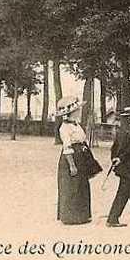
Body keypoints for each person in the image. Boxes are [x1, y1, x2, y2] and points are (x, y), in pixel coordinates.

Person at [55, 96, 91, 225]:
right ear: (71, 113)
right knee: (71, 186)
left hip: (80, 156)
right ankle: (70, 217)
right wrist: (72, 165)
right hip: (71, 158)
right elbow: (67, 147)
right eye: (77, 110)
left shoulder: (76, 125)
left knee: (81, 184)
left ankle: (82, 215)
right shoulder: (64, 128)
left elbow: (81, 140)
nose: (79, 112)